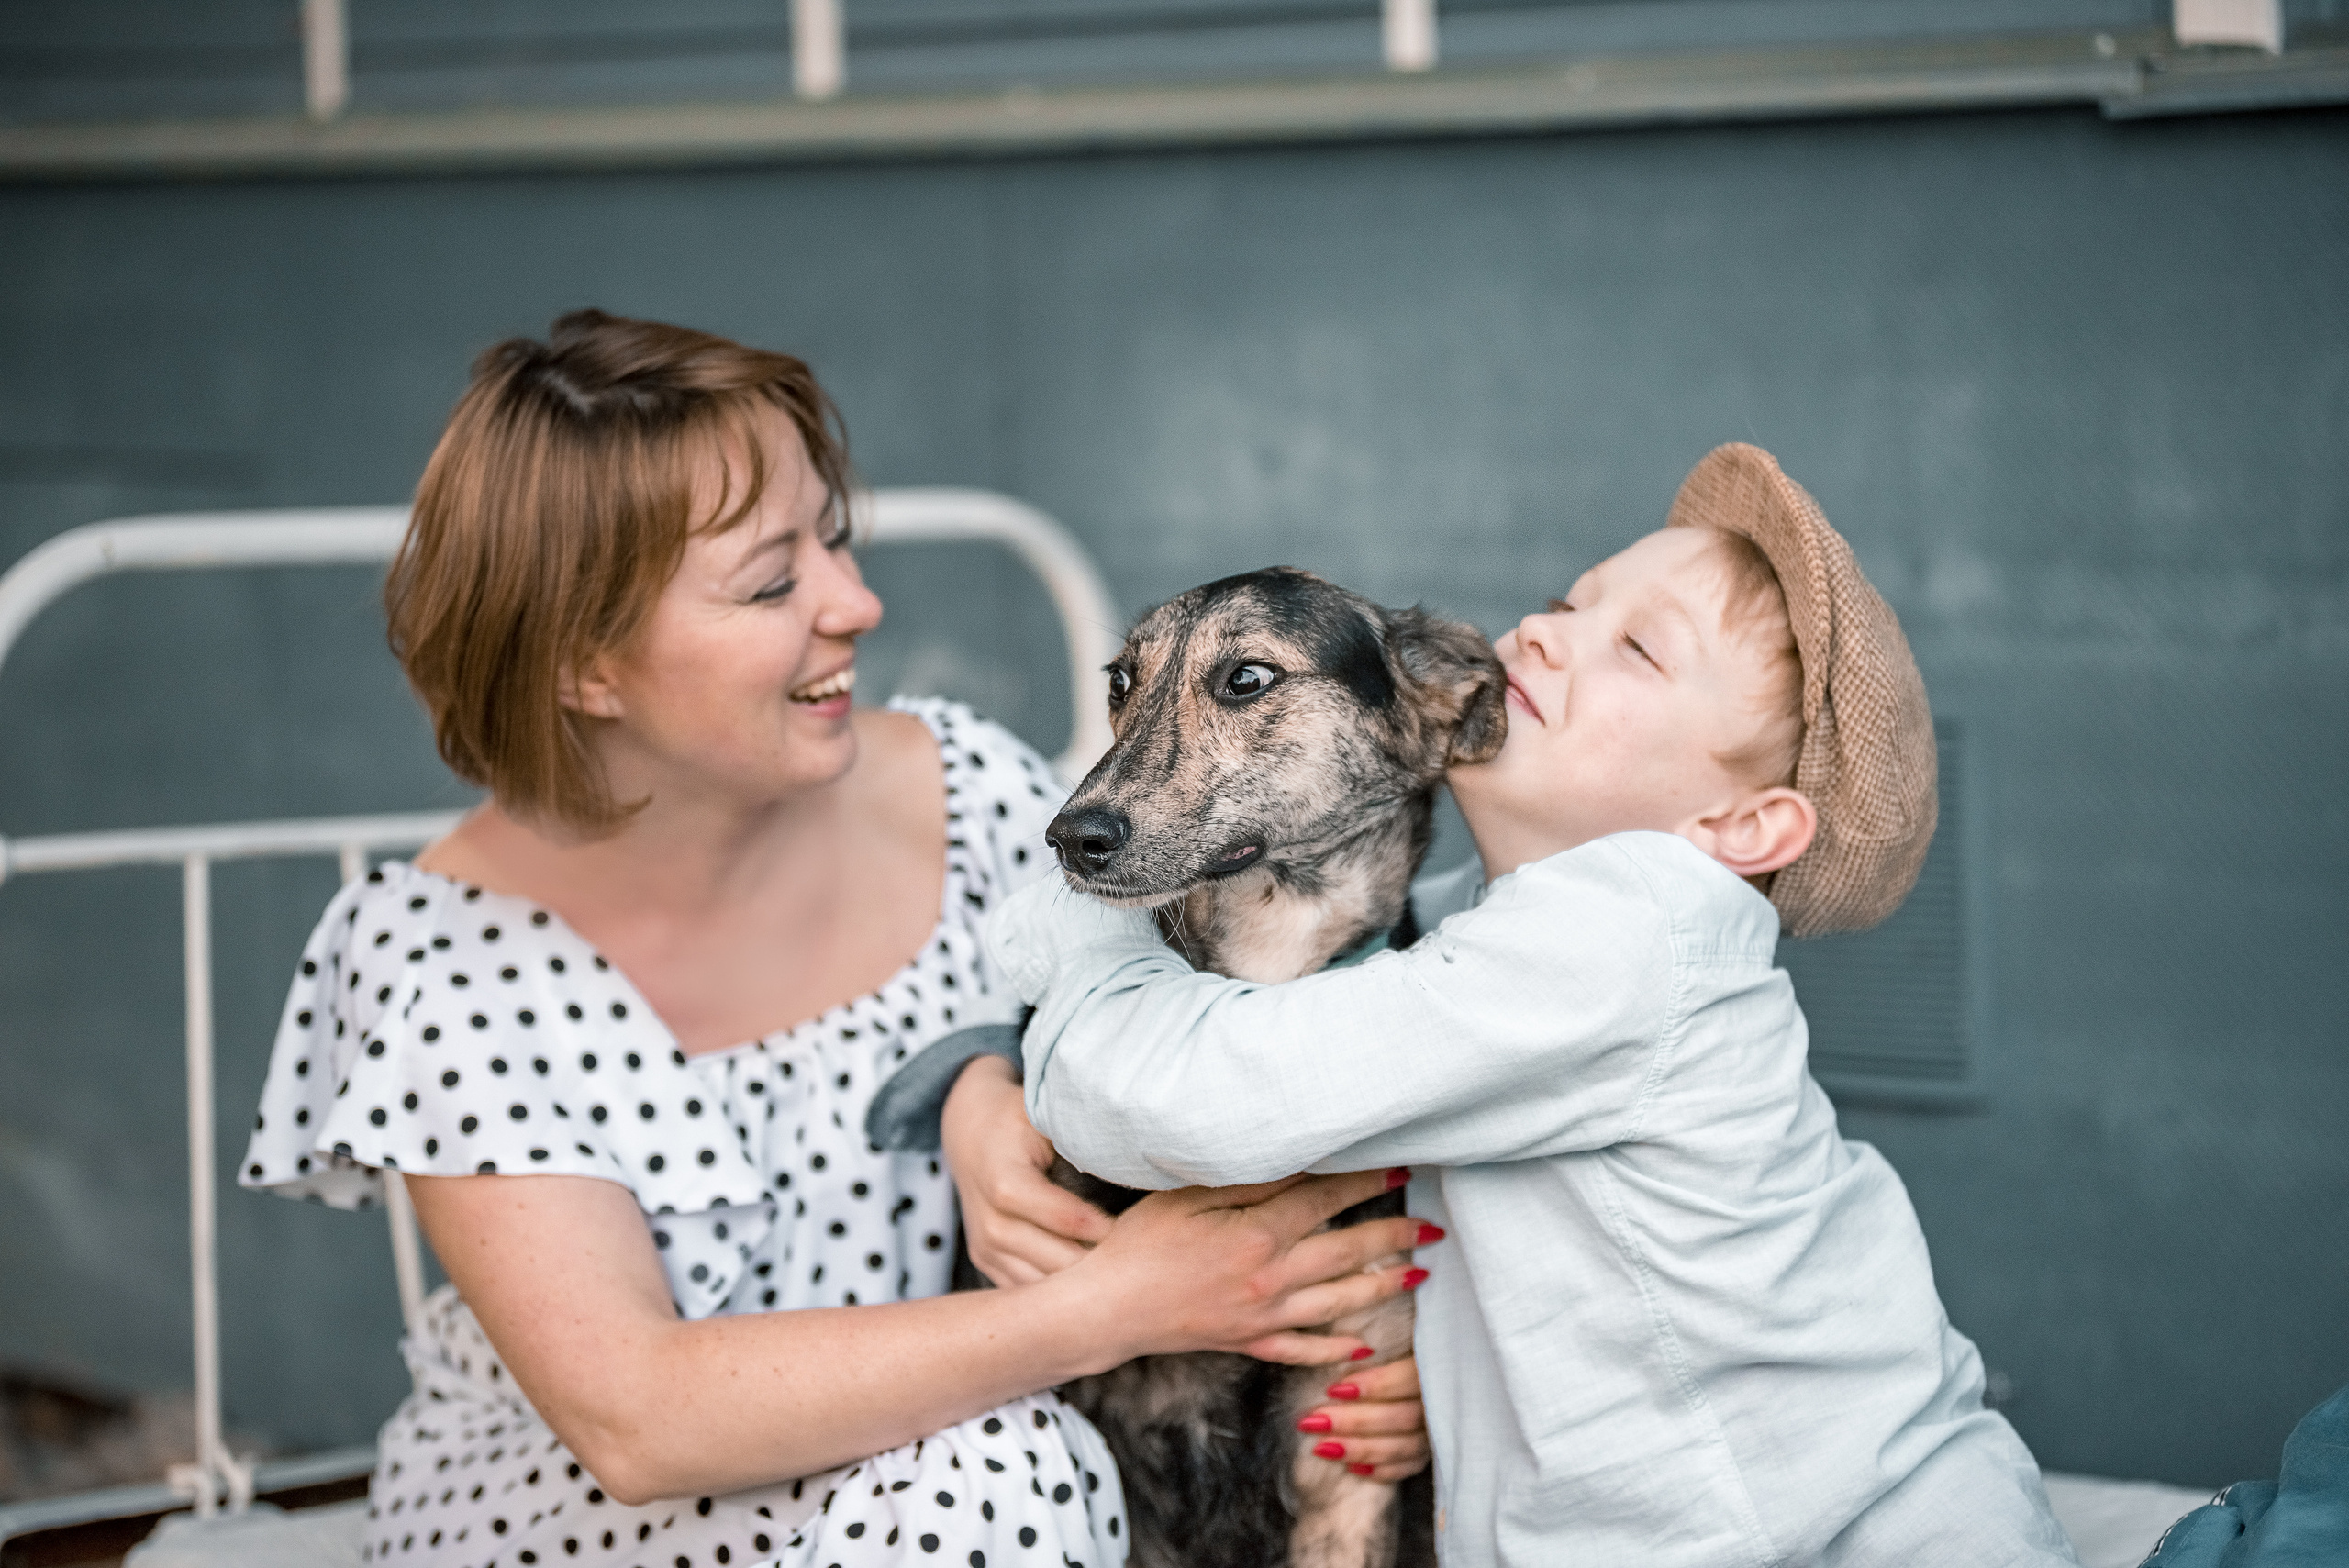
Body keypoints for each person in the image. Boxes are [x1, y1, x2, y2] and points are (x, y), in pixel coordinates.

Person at [238, 309, 1431, 1568]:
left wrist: (980, 1076)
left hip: (940, 1463)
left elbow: (1159, 1003)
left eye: (838, 538)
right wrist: (1112, 1306)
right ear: (587, 664)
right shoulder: (442, 961)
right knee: (1000, 1474)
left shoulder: (964, 787)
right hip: (615, 1522)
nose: (855, 602)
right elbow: (636, 1420)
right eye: (770, 581)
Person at [979, 444, 2085, 1563]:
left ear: (1739, 830)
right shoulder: (1482, 934)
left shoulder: (1631, 942)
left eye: (1639, 648)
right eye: (1568, 602)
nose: (1548, 633)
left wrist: (1077, 931)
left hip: (1865, 1531)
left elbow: (1195, 1094)